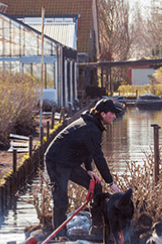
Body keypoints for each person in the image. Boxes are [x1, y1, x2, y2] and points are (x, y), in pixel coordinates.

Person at [44, 98, 124, 236]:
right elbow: (99, 157)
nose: (115, 116)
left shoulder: (93, 125)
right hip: (56, 161)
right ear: (103, 114)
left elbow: (87, 150)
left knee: (96, 187)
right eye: (112, 113)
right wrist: (110, 182)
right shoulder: (90, 128)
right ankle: (60, 238)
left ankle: (97, 230)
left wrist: (89, 170)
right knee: (61, 200)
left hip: (70, 162)